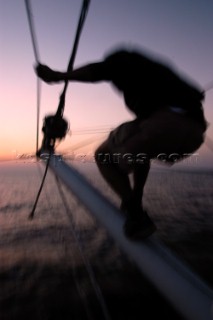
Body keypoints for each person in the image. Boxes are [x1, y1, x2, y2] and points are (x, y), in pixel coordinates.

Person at [36, 47, 207, 239]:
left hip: (167, 126)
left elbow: (97, 71)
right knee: (139, 145)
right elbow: (147, 146)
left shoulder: (125, 62)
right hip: (193, 136)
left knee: (103, 155)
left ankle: (134, 210)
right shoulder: (159, 77)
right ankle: (136, 206)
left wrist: (58, 75)